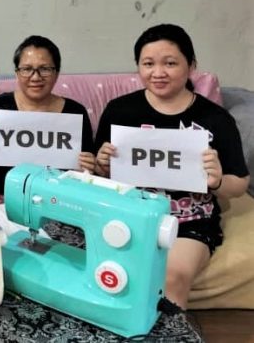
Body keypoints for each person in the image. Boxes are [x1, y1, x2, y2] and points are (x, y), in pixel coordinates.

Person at [94, 23, 250, 309]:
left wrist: (217, 181)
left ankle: (171, 329)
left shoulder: (215, 119)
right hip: (127, 214)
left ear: (191, 65)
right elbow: (99, 172)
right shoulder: (119, 111)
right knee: (107, 276)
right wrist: (101, 165)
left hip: (188, 220)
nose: (158, 73)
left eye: (170, 63)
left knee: (171, 280)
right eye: (148, 64)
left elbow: (239, 183)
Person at [0, 35, 95, 196]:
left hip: (58, 198)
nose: (35, 77)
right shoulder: (0, 105)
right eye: (27, 69)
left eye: (45, 69)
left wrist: (88, 166)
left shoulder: (75, 112)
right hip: (4, 195)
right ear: (17, 73)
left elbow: (85, 169)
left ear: (56, 73)